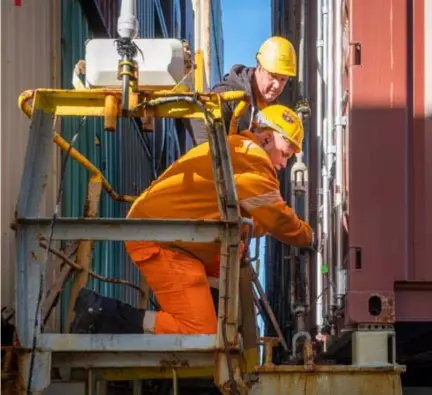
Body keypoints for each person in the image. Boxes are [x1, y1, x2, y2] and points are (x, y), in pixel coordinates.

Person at [70, 104, 314, 336]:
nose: (284, 163)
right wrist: (308, 236)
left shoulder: (237, 150)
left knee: (233, 251)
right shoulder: (252, 158)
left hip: (171, 236)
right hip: (162, 240)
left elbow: (259, 219)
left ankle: (218, 326)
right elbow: (277, 218)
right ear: (267, 138)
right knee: (200, 331)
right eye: (285, 153)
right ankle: (102, 312)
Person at [186, 35, 310, 145]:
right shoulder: (229, 95)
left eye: (283, 80)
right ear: (259, 66)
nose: (277, 85)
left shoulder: (279, 107)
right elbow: (204, 138)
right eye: (273, 76)